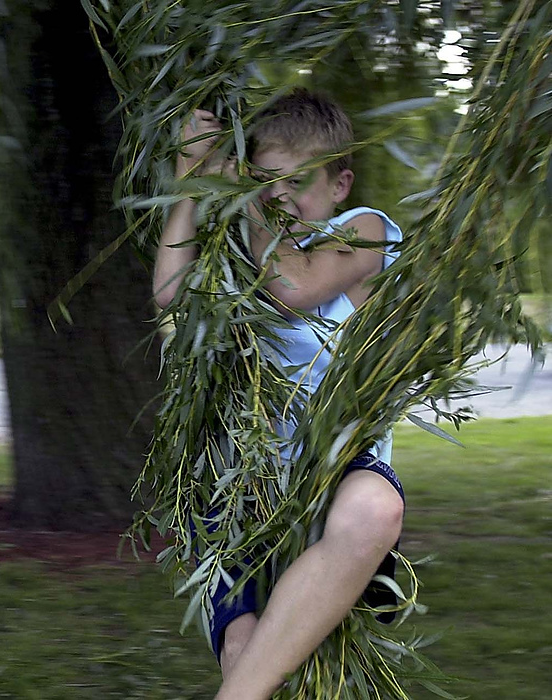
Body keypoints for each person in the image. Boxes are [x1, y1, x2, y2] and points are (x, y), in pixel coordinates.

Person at [153, 88, 406, 700]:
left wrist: (250, 202)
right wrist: (195, 182)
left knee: (375, 508)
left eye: (299, 182)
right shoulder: (243, 248)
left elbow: (295, 285)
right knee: (245, 647)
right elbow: (170, 296)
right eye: (266, 180)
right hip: (243, 482)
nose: (280, 196)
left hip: (336, 465)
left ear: (341, 183)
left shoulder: (364, 231)